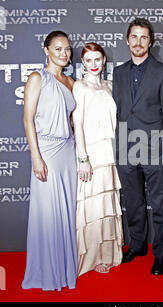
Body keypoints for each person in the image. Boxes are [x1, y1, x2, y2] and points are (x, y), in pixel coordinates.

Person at [112, 18, 163, 275]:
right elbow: (118, 110)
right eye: (134, 37)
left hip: (154, 148)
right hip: (125, 148)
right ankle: (138, 245)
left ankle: (160, 253)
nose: (138, 42)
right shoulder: (119, 72)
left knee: (159, 203)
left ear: (150, 42)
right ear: (127, 40)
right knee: (133, 201)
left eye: (143, 37)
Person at [22, 30, 77, 290]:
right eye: (57, 48)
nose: (63, 53)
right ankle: (48, 271)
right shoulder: (37, 78)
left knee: (66, 212)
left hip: (68, 152)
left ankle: (66, 267)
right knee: (49, 213)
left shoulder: (70, 82)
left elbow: (74, 122)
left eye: (66, 49)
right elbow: (27, 119)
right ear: (46, 50)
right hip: (46, 152)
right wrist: (36, 156)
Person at [72, 43, 123, 275]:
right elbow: (78, 124)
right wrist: (83, 158)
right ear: (83, 63)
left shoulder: (110, 85)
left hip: (110, 153)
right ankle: (91, 258)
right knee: (93, 206)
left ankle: (107, 254)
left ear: (104, 61)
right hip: (91, 154)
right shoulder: (79, 87)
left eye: (97, 60)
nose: (93, 65)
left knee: (107, 207)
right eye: (88, 60)